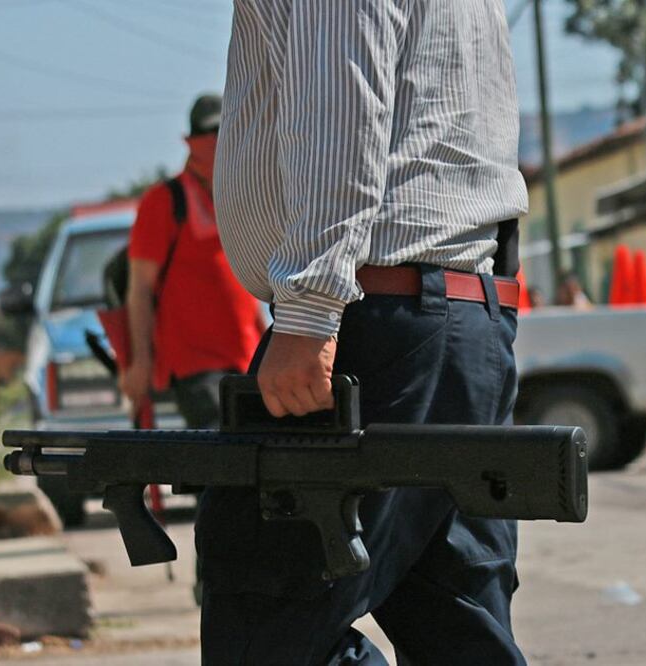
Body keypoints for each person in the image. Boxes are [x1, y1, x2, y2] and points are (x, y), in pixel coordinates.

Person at [203, 3, 528, 664]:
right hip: (455, 315)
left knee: (266, 622)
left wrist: (309, 308)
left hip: (374, 315)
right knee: (452, 623)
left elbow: (340, 111)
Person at [118, 94, 266, 428]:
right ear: (194, 141)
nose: (217, 145)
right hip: (194, 367)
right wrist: (140, 362)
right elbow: (139, 289)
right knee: (222, 455)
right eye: (211, 136)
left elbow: (245, 289)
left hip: (247, 359)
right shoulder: (163, 202)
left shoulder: (238, 197)